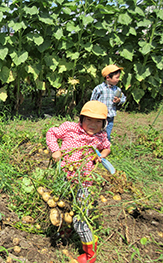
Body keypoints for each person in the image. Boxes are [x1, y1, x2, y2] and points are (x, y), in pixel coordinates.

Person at [46, 101, 111, 263]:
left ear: (104, 124)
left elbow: (107, 147)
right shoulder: (70, 128)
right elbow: (51, 133)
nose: (93, 125)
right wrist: (55, 150)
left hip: (84, 182)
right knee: (65, 206)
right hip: (64, 179)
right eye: (89, 120)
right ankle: (66, 232)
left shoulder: (101, 136)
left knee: (80, 219)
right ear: (81, 119)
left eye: (98, 122)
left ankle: (90, 253)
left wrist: (101, 156)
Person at [90, 64, 126, 142]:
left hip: (110, 116)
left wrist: (119, 101)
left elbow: (123, 98)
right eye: (117, 77)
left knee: (107, 134)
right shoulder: (99, 88)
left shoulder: (117, 90)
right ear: (108, 78)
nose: (118, 79)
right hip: (99, 116)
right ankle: (96, 144)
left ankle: (105, 146)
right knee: (97, 132)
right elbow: (92, 101)